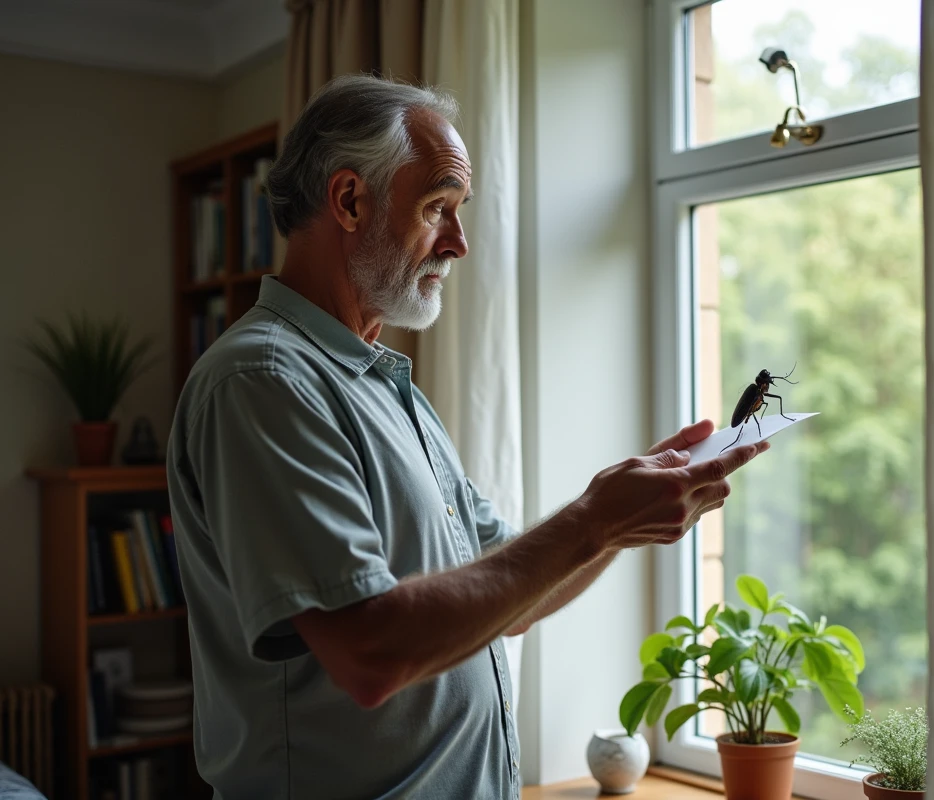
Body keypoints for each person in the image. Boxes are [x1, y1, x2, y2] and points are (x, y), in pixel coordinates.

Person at [166, 74, 768, 800]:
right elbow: (368, 653)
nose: (459, 243)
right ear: (349, 200)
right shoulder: (264, 382)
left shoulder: (389, 388)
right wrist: (594, 519)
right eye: (437, 208)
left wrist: (622, 517)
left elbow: (511, 598)